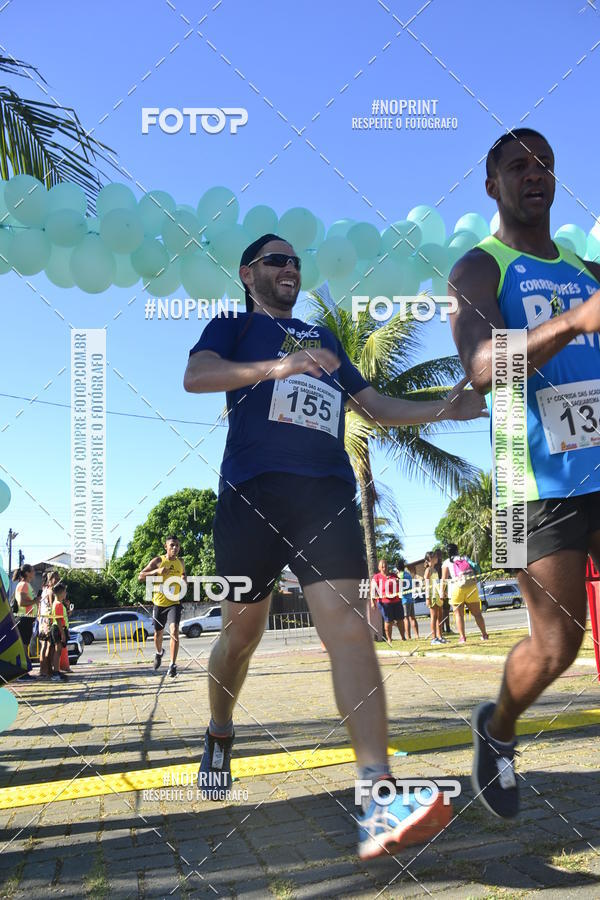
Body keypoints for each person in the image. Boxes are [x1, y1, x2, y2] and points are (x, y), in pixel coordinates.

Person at [183, 232, 487, 858]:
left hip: (325, 495)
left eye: (295, 261)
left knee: (347, 628)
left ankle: (377, 795)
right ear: (248, 274)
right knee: (242, 634)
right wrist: (278, 367)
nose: (290, 268)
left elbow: (372, 405)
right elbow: (196, 376)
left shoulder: (325, 341)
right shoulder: (232, 324)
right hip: (252, 494)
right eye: (277, 260)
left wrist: (445, 411)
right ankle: (219, 731)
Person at [448, 128, 600, 819]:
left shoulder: (585, 265)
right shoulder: (480, 267)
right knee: (555, 646)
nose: (534, 174)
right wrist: (572, 322)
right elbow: (482, 371)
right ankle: (499, 728)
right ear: (493, 185)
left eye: (545, 163)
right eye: (518, 165)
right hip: (528, 478)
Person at [138, 536, 186, 677]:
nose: (175, 548)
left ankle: (172, 665)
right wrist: (156, 572)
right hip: (159, 603)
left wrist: (184, 580)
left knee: (174, 631)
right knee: (158, 634)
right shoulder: (158, 561)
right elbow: (140, 576)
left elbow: (184, 575)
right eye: (172, 545)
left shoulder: (181, 562)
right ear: (166, 547)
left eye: (177, 545)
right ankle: (159, 653)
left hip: (174, 603)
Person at [441, 544, 488, 644]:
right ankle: (484, 635)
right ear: (457, 550)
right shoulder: (465, 558)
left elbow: (444, 579)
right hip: (471, 587)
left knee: (459, 615)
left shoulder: (446, 562)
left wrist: (442, 592)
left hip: (457, 588)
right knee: (477, 613)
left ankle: (462, 637)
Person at [12, 564, 38, 679]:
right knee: (23, 646)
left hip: (27, 619)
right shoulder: (23, 585)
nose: (34, 573)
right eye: (33, 571)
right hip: (23, 619)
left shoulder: (26, 585)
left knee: (25, 646)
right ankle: (22, 673)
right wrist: (34, 601)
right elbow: (22, 602)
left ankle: (24, 671)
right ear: (27, 573)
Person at [370, 559, 404, 643]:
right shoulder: (376, 577)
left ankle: (403, 637)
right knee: (388, 620)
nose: (384, 567)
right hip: (385, 602)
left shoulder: (393, 575)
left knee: (400, 619)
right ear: (379, 568)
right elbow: (372, 590)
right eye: (382, 566)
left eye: (385, 566)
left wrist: (398, 581)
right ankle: (389, 639)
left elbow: (402, 584)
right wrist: (372, 602)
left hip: (396, 600)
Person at [424, 552, 445, 645]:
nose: (437, 558)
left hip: (437, 595)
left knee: (440, 616)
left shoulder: (435, 570)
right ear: (430, 559)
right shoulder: (428, 570)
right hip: (432, 596)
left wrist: (442, 592)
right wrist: (427, 597)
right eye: (434, 557)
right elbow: (426, 584)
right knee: (434, 616)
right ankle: (434, 638)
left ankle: (440, 636)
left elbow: (437, 583)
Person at [400, 564, 419, 639]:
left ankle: (408, 636)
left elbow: (400, 585)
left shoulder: (400, 574)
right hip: (411, 598)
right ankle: (417, 635)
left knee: (406, 618)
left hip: (404, 599)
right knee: (413, 617)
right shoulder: (408, 574)